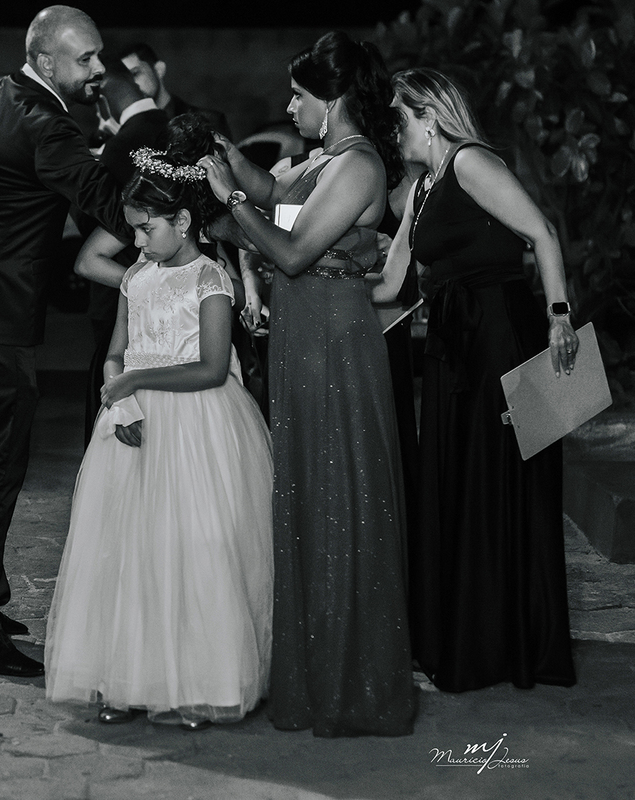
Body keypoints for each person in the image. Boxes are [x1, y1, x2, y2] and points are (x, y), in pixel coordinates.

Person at [199, 31, 416, 737]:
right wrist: (223, 159)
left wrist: (230, 196)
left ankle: (351, 684)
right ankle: (312, 670)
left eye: (298, 96)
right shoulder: (324, 159)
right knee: (307, 491)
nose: (289, 107)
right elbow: (275, 194)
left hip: (334, 341)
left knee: (338, 494)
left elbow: (290, 250)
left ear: (334, 97)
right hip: (302, 337)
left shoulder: (359, 165)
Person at [0, 5, 129, 677]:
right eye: (86, 59)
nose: (100, 69)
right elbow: (113, 206)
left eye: (98, 55)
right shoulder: (49, 127)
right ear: (45, 62)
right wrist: (177, 185)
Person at [46, 148, 273, 730]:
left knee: (194, 548)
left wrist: (135, 380)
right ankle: (129, 677)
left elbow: (212, 368)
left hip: (197, 424)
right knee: (130, 552)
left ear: (184, 222)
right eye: (134, 231)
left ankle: (199, 681)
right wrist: (121, 397)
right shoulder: (136, 278)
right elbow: (116, 353)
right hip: (133, 421)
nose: (138, 243)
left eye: (147, 230)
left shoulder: (210, 279)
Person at [376, 68, 578, 693]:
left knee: (501, 481)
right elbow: (391, 283)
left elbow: (541, 233)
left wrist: (560, 316)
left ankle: (510, 643)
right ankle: (470, 636)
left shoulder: (470, 162)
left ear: (428, 117)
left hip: (500, 337)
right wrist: (305, 284)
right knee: (462, 482)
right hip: (452, 345)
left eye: (399, 117)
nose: (392, 129)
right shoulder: (422, 187)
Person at [79, 53, 170, 445]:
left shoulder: (121, 147)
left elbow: (101, 231)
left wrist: (151, 285)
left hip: (125, 305)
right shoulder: (173, 126)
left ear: (103, 98)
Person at [118, 42, 231, 139]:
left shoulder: (208, 121)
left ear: (159, 69)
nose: (131, 84)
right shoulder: (126, 131)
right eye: (125, 79)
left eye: (135, 73)